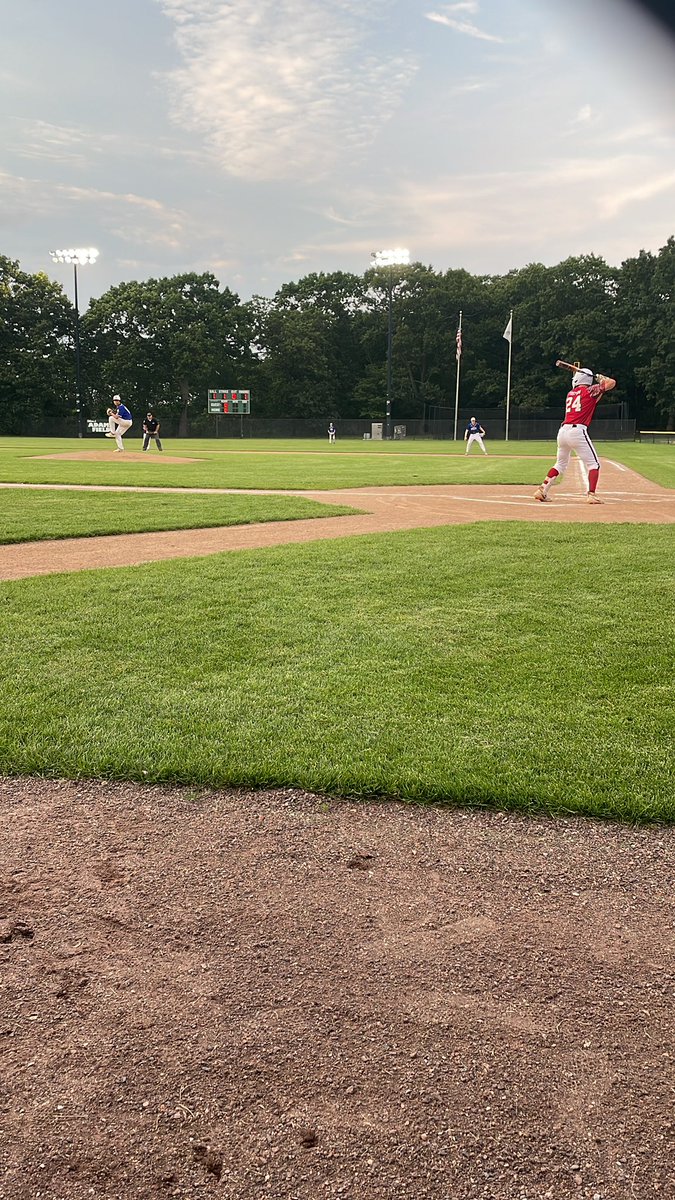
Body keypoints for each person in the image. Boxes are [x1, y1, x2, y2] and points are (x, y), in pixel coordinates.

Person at [534, 362, 616, 504]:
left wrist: (601, 383)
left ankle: (542, 489)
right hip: (577, 431)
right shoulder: (589, 391)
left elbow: (596, 397)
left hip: (563, 432)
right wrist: (602, 379)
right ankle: (591, 494)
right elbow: (612, 383)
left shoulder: (571, 393)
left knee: (560, 464)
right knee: (593, 464)